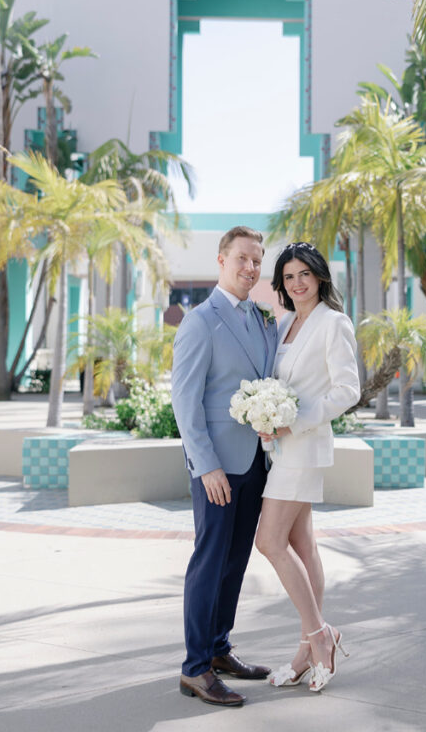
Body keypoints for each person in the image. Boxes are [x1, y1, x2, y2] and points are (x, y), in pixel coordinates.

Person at [171, 225, 279, 707]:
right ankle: (195, 668)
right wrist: (205, 465)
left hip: (254, 461)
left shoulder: (261, 319)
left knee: (235, 562)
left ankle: (218, 650)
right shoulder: (200, 320)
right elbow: (185, 401)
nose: (251, 268)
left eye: (257, 260)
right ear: (221, 260)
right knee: (209, 562)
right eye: (242, 258)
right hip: (217, 468)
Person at [255, 241, 360, 693]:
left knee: (270, 541)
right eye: (289, 276)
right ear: (281, 284)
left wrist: (292, 421)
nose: (297, 283)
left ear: (319, 277)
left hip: (306, 446)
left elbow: (347, 390)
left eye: (305, 274)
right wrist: (265, 418)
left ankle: (321, 636)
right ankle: (305, 649)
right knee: (301, 543)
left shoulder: (334, 323)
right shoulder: (283, 326)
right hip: (283, 449)